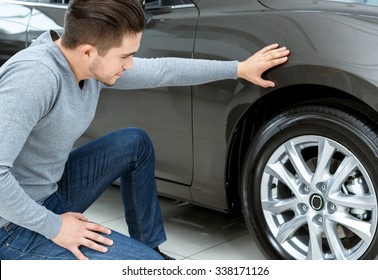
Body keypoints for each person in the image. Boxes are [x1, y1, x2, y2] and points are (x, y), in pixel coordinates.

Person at [0, 0, 290, 260]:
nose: (130, 65)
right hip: (11, 224)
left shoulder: (84, 63)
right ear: (88, 51)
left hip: (47, 193)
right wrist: (55, 227)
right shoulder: (35, 78)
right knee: (148, 269)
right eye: (125, 56)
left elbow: (164, 70)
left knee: (133, 143)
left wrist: (238, 68)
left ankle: (149, 247)